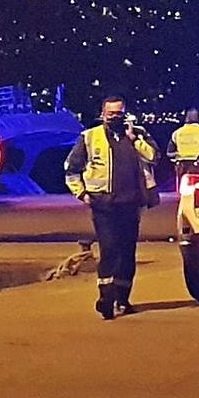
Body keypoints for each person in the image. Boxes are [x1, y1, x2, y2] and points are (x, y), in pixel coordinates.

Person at [64, 96, 158, 320]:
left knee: (127, 253)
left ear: (126, 113)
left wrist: (134, 140)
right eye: (111, 113)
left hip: (131, 204)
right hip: (103, 205)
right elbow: (71, 169)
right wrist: (82, 194)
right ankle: (106, 298)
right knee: (109, 250)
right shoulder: (89, 137)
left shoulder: (138, 133)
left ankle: (123, 300)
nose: (115, 117)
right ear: (103, 114)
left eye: (119, 113)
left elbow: (154, 157)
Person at [167, 108, 199, 191]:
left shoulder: (177, 133)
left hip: (182, 166)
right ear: (198, 118)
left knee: (184, 192)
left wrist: (177, 155)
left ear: (186, 118)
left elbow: (169, 153)